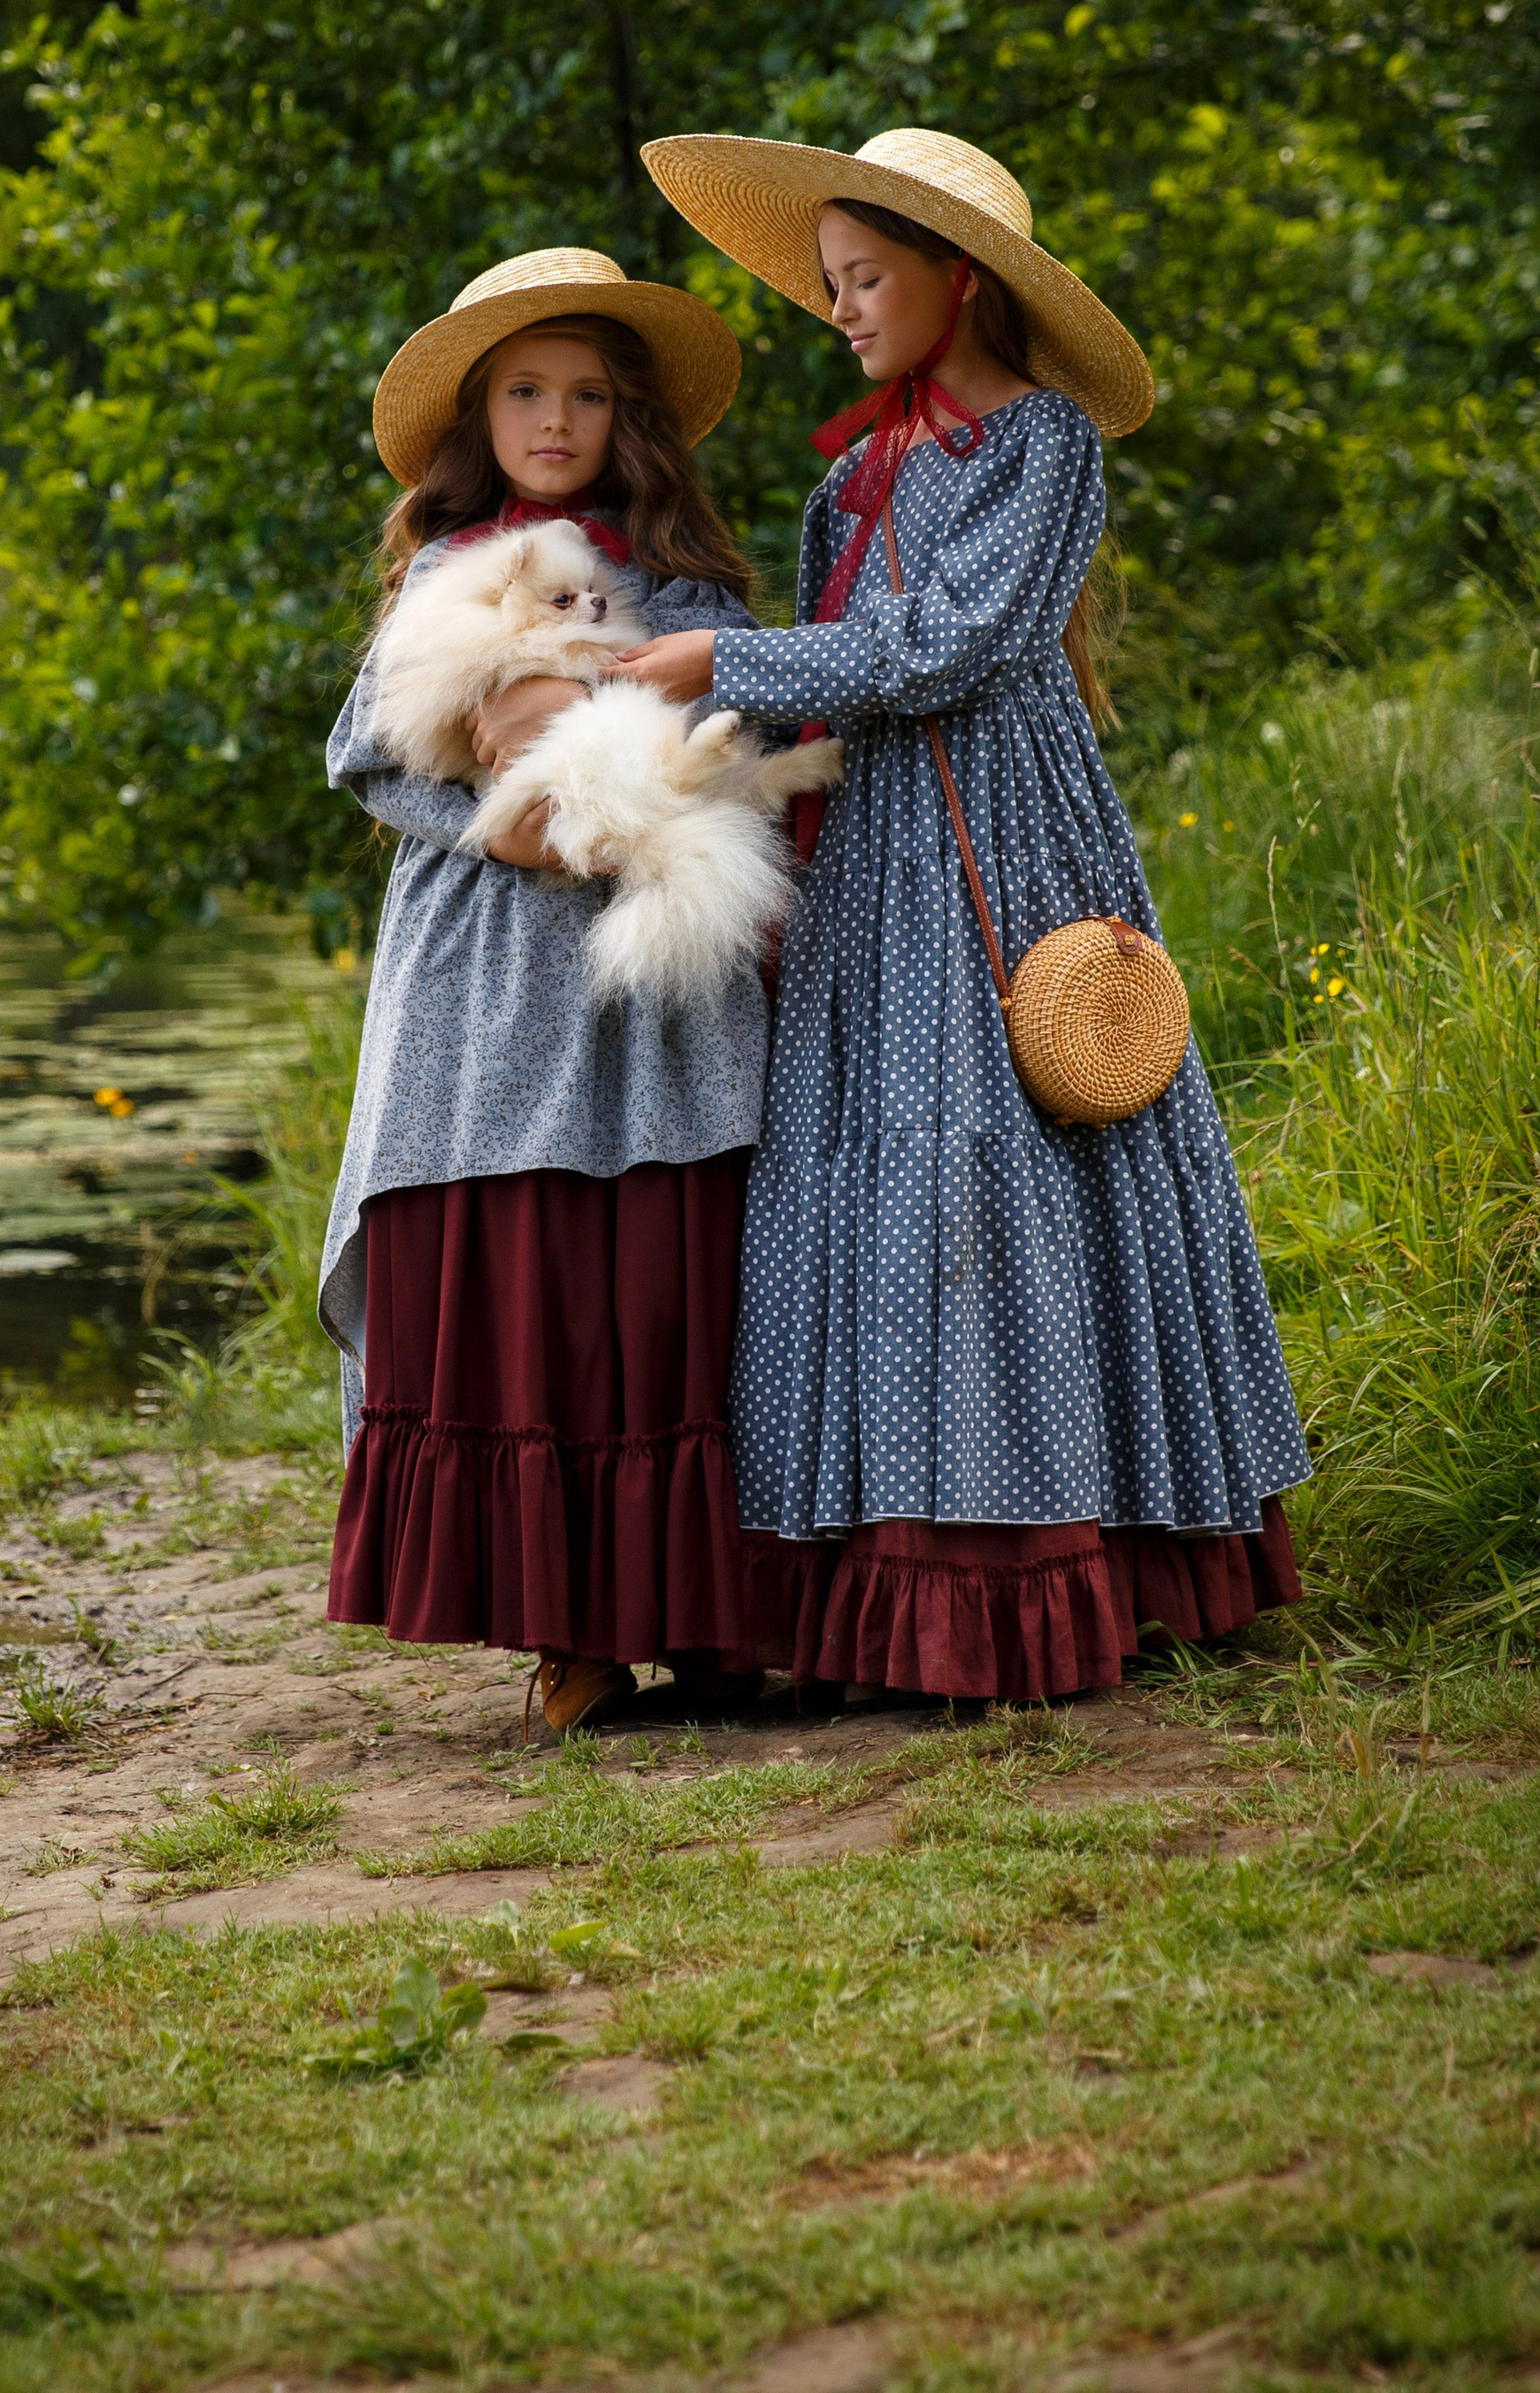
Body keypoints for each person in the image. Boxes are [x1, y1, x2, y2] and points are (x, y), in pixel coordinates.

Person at [614, 128, 1310, 1702]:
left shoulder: (1043, 441)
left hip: (1006, 824)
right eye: (832, 284)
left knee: (1026, 1130)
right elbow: (841, 676)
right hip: (873, 854)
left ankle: (1067, 1554)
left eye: (867, 281)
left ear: (958, 278)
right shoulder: (854, 470)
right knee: (873, 1158)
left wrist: (725, 663)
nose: (842, 310)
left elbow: (952, 642)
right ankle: (879, 1573)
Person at [319, 247, 771, 1735]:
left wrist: (648, 815)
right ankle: (567, 1628)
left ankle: (705, 1615)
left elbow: (735, 748)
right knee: (533, 1265)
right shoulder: (448, 575)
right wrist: (510, 828)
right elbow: (366, 757)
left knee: (658, 1269)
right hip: (489, 966)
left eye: (585, 393)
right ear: (480, 414)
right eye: (525, 390)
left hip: (654, 961)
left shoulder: (684, 585)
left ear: (624, 414)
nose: (556, 417)